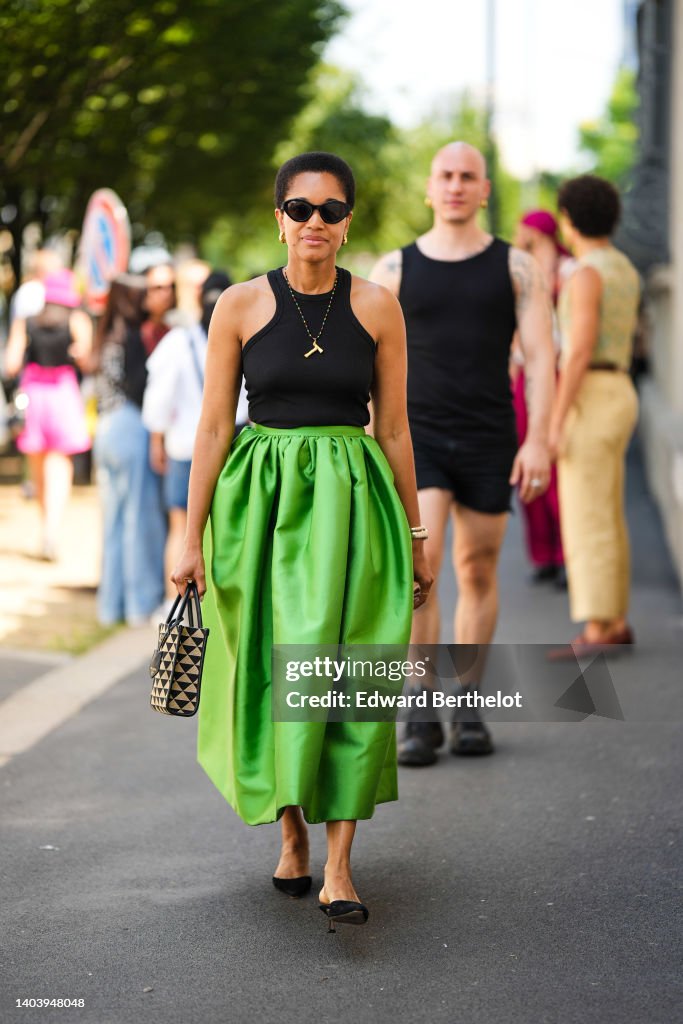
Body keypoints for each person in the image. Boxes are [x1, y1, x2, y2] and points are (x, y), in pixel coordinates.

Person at [171, 151, 432, 929]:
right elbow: (215, 425)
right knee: (271, 667)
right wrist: (189, 538)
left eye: (329, 209)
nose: (313, 221)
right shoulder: (240, 305)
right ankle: (291, 836)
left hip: (355, 505)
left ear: (348, 222)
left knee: (350, 671)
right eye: (299, 208)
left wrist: (415, 535)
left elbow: (392, 427)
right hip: (260, 504)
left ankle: (342, 865)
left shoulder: (379, 306)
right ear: (277, 216)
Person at [371, 141, 555, 766]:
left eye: (467, 177)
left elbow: (542, 360)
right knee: (419, 575)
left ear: (484, 190)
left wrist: (539, 439)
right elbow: (367, 366)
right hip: (416, 436)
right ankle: (419, 705)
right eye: (445, 176)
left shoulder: (516, 269)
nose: (455, 185)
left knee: (477, 568)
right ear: (430, 187)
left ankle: (468, 702)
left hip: (488, 436)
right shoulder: (393, 270)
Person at [549, 175, 640, 656]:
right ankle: (614, 617)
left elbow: (578, 350)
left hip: (591, 393)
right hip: (619, 386)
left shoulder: (585, 272)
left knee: (587, 515)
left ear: (568, 219)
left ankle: (598, 628)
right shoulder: (622, 266)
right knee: (608, 511)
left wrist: (555, 420)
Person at [142, 271, 248, 600]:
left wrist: (156, 440)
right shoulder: (246, 333)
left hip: (184, 447)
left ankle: (176, 607)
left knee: (182, 528)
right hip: (234, 445)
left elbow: (158, 398)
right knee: (230, 530)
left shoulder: (178, 340)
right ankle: (220, 604)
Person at [92, 273, 167, 626]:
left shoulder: (105, 334)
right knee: (140, 517)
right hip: (130, 425)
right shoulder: (133, 336)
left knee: (113, 521)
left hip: (105, 427)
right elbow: (140, 386)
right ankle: (139, 605)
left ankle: (110, 607)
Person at [4, 269, 92, 560]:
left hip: (34, 395)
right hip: (63, 393)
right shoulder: (77, 320)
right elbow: (87, 360)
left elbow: (11, 363)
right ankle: (52, 530)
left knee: (38, 467)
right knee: (59, 463)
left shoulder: (26, 321)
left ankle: (46, 527)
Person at [511, 210, 572, 587]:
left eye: (527, 230)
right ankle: (543, 553)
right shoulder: (519, 270)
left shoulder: (568, 271)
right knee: (527, 462)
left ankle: (567, 553)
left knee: (557, 463)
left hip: (558, 371)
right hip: (524, 375)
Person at [141, 262, 176, 355]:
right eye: (159, 288)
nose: (167, 293)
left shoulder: (177, 331)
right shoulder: (133, 334)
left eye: (171, 286)